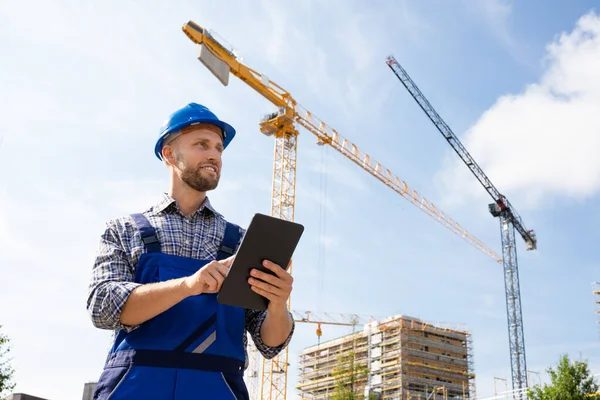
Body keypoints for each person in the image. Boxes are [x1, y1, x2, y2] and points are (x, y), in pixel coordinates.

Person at [86, 102, 295, 399]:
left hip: (217, 388)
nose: (215, 155)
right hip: (136, 387)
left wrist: (277, 304)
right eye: (202, 144)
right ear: (169, 154)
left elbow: (270, 342)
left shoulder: (241, 241)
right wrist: (189, 285)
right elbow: (103, 308)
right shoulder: (124, 230)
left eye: (219, 149)